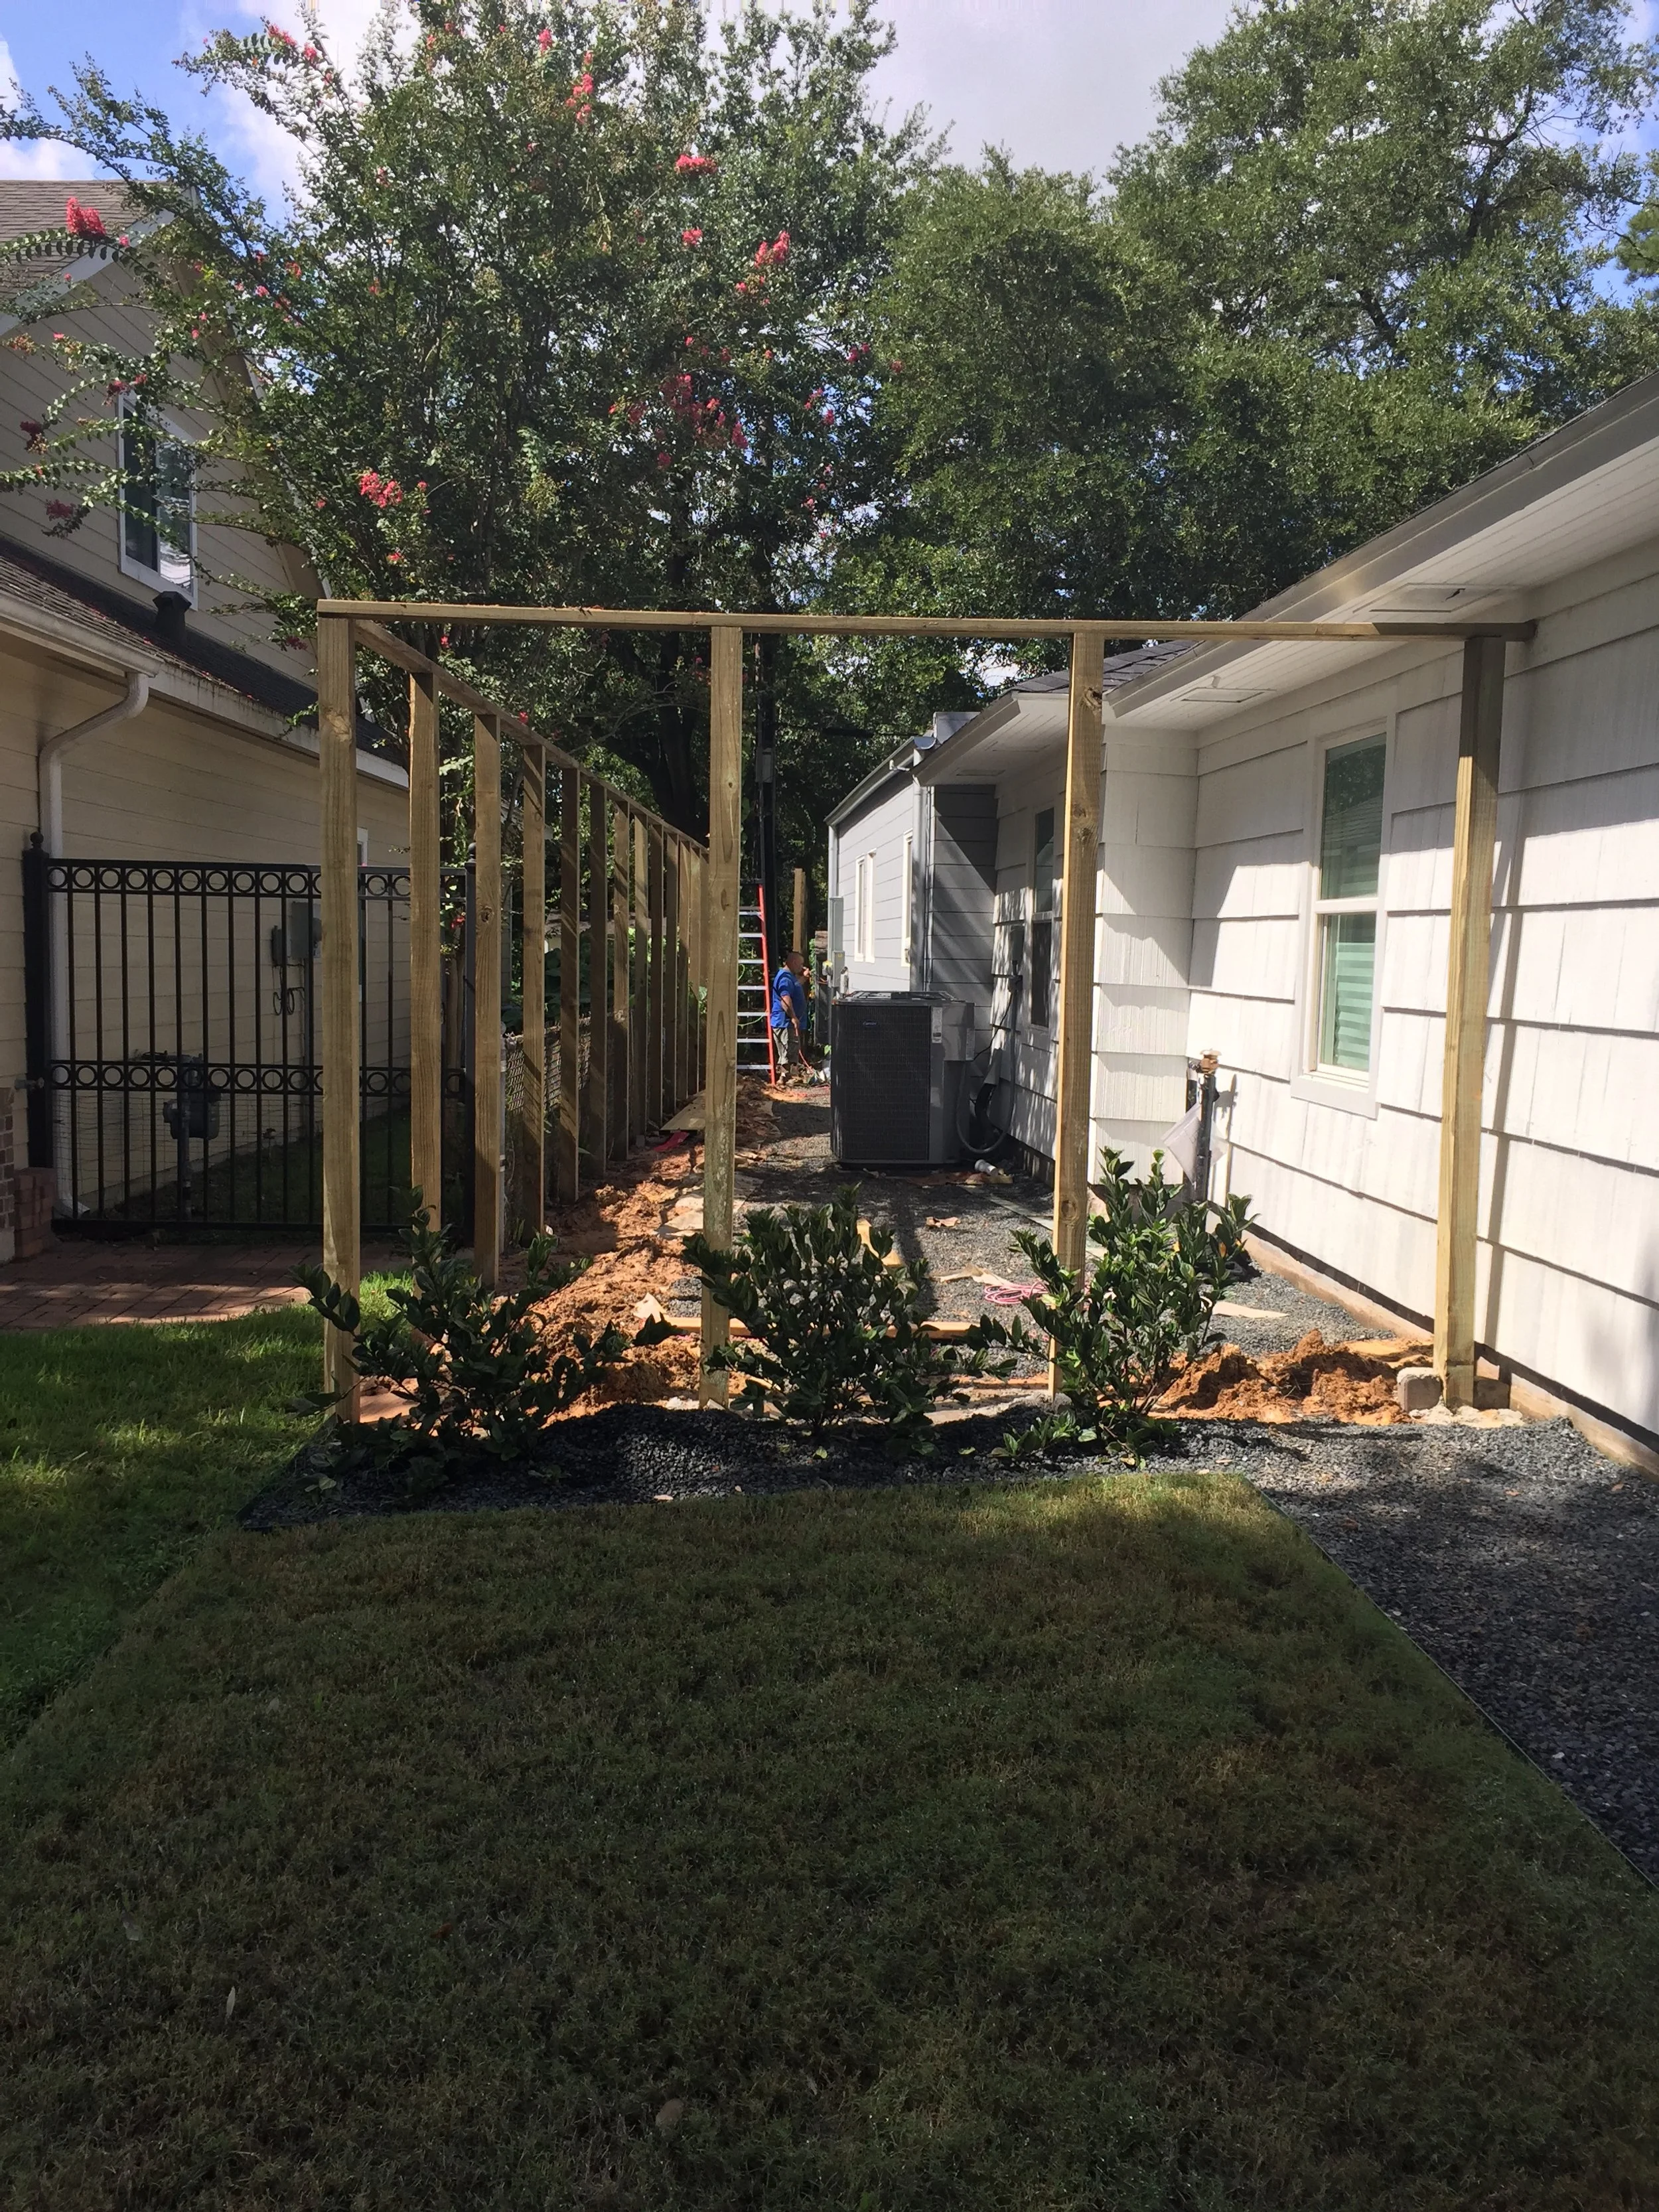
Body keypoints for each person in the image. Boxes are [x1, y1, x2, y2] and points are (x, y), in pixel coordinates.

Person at [770, 948, 809, 1083]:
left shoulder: (790, 977)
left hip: (789, 1022)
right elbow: (785, 999)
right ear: (793, 962)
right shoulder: (784, 978)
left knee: (792, 1048)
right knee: (786, 1049)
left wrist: (804, 978)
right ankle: (784, 1077)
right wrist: (793, 1017)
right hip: (784, 1021)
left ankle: (790, 1076)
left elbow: (796, 985)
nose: (802, 967)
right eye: (800, 964)